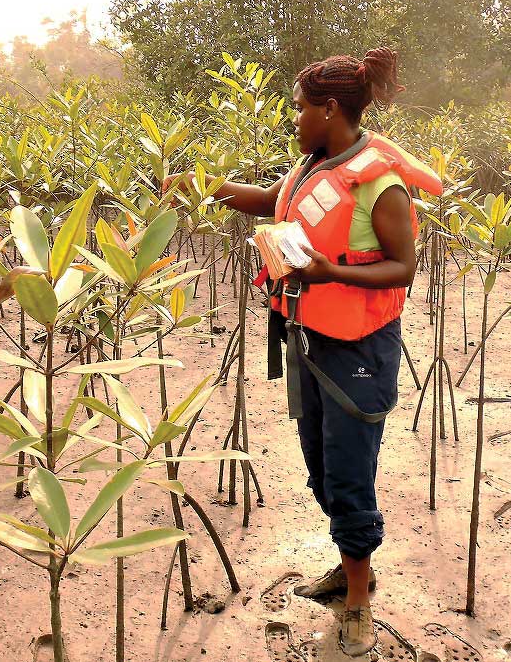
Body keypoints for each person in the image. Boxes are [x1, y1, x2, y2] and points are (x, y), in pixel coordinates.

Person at [164, 47, 441, 656]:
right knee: (319, 462)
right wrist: (205, 189)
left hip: (359, 350)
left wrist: (326, 272)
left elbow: (403, 269)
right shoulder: (315, 165)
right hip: (311, 338)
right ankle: (350, 567)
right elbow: (274, 200)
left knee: (348, 470)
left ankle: (359, 601)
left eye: (300, 109)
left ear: (330, 109)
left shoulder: (381, 184)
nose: (294, 120)